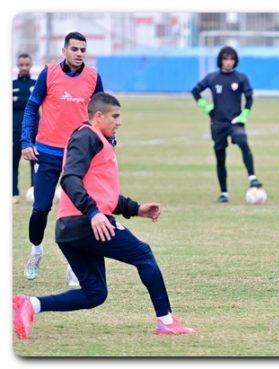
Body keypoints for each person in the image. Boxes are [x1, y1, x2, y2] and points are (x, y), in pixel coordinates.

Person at [13, 93, 194, 340]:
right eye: (115, 116)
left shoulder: (98, 140)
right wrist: (94, 213)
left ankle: (30, 305)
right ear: (99, 116)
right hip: (85, 223)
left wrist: (136, 209)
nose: (119, 122)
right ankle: (166, 321)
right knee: (144, 254)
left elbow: (103, 193)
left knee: (94, 293)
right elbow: (69, 179)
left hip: (70, 229)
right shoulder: (86, 136)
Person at [21, 32, 104, 286]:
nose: (79, 54)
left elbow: (101, 112)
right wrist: (26, 141)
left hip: (77, 156)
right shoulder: (49, 73)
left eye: (83, 50)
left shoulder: (93, 77)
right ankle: (36, 251)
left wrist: (106, 139)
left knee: (79, 212)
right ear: (64, 50)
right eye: (75, 49)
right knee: (41, 209)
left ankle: (73, 266)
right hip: (46, 153)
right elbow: (32, 107)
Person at [191, 46, 263, 203]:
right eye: (225, 58)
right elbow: (195, 91)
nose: (228, 62)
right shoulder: (212, 78)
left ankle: (252, 178)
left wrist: (244, 116)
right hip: (217, 124)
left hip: (235, 122)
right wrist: (208, 108)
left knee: (243, 141)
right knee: (220, 158)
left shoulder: (241, 78)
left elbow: (249, 99)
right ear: (220, 60)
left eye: (231, 59)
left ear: (235, 60)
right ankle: (224, 193)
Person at [12, 53, 37, 203]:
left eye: (27, 65)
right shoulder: (11, 84)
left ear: (31, 65)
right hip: (14, 130)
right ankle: (13, 193)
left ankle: (34, 191)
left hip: (34, 129)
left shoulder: (36, 83)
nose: (24, 68)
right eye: (21, 65)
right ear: (17, 65)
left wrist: (17, 100)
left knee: (35, 163)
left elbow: (34, 104)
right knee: (12, 162)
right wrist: (26, 100)